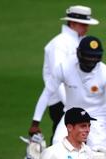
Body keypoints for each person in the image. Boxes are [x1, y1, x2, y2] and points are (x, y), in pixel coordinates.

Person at [29, 5, 99, 141]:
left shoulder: (79, 41)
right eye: (83, 24)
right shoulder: (59, 44)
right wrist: (71, 105)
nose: (86, 28)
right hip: (62, 102)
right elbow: (59, 80)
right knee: (62, 141)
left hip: (79, 99)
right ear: (73, 23)